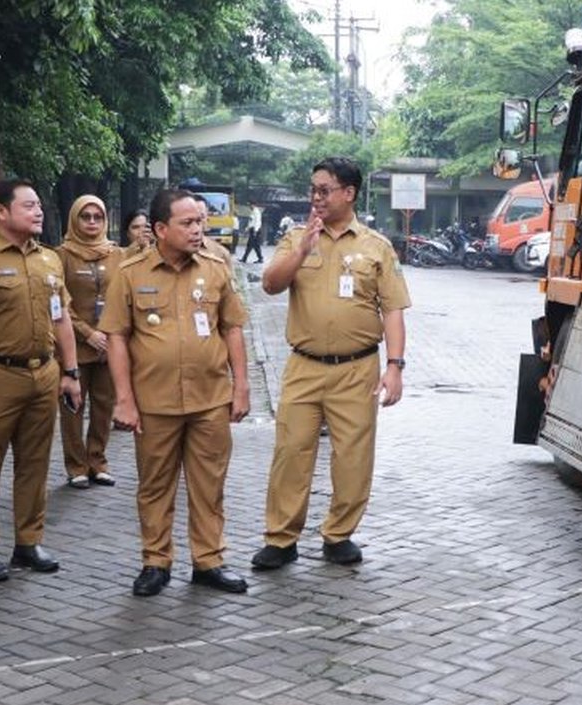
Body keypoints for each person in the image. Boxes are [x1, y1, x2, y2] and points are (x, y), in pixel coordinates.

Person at [253, 157, 411, 569]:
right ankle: (281, 538)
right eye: (313, 190)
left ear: (349, 193)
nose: (316, 198)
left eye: (324, 190)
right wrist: (304, 247)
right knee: (291, 452)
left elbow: (393, 309)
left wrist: (395, 366)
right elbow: (270, 285)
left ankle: (339, 534)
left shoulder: (376, 246)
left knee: (353, 456)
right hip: (303, 366)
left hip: (357, 369)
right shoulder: (295, 238)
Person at [101, 188, 252, 597]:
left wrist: (241, 386)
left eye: (199, 221)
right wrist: (125, 400)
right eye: (187, 223)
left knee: (209, 484)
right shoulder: (130, 273)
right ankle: (156, 561)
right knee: (155, 485)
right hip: (154, 403)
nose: (197, 229)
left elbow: (232, 328)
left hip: (210, 400)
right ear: (160, 229)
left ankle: (209, 560)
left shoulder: (215, 268)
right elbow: (116, 337)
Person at [0, 178, 82, 582]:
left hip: (43, 373)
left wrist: (70, 372)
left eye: (39, 205)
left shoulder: (49, 259)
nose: (39, 211)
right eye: (28, 205)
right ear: (0, 211)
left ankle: (28, 542)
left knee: (34, 463)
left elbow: (61, 318)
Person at [56, 195, 124, 489]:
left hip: (109, 346)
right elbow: (58, 304)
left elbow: (124, 298)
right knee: (73, 406)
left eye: (98, 217)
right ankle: (76, 465)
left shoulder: (118, 255)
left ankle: (98, 461)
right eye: (86, 217)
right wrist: (87, 333)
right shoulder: (62, 255)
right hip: (76, 346)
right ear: (74, 219)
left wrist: (110, 333)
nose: (93, 223)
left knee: (104, 406)